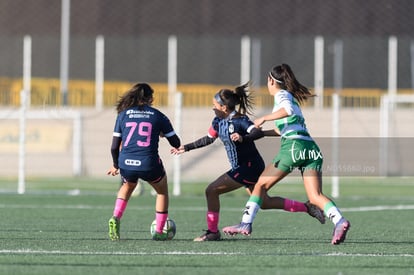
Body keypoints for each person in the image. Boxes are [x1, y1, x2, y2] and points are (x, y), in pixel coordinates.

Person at [171, 82, 325, 242]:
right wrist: (186, 148)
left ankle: (212, 232)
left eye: (214, 105)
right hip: (242, 167)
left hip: (249, 167)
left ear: (224, 108)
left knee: (212, 190)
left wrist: (243, 137)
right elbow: (209, 138)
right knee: (264, 202)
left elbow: (257, 132)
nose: (213, 108)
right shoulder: (217, 121)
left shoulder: (240, 120)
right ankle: (307, 207)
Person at [222, 64, 351, 245]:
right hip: (310, 148)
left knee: (260, 185)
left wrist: (264, 117)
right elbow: (281, 128)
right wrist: (261, 133)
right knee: (315, 196)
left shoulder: (282, 96)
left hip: (294, 147)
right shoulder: (291, 99)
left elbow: (287, 111)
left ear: (271, 81)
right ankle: (339, 221)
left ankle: (245, 224)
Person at [107, 83, 181, 241]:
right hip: (149, 163)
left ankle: (115, 217)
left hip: (125, 162)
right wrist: (161, 132)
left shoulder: (123, 115)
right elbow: (176, 142)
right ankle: (160, 230)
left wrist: (115, 165)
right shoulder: (158, 116)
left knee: (127, 186)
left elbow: (114, 147)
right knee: (161, 191)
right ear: (151, 98)